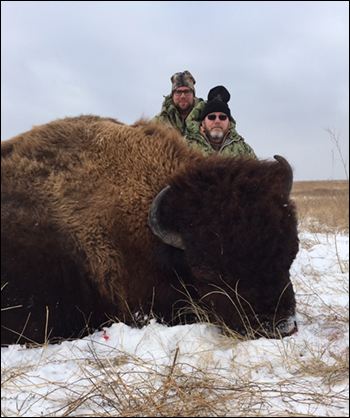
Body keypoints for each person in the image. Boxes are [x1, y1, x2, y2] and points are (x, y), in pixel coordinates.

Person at [184, 85, 257, 158]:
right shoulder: (185, 146)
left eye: (222, 117)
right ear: (203, 123)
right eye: (212, 117)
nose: (217, 121)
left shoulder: (244, 150)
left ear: (229, 123)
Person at [151, 70, 203, 136]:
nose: (183, 96)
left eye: (187, 92)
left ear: (193, 95)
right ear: (172, 95)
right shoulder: (158, 122)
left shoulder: (208, 118)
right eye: (178, 92)